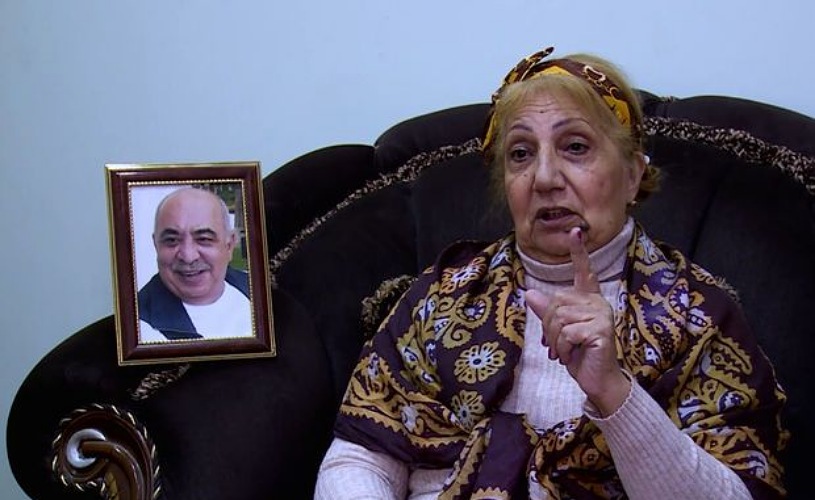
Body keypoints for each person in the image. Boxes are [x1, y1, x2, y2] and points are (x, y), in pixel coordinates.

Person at [315, 47, 787, 498]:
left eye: (575, 147)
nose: (544, 178)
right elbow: (358, 458)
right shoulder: (440, 300)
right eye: (521, 153)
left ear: (632, 175)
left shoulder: (696, 318)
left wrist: (615, 393)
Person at [137, 186, 253, 342]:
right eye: (172, 240)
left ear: (229, 245)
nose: (188, 256)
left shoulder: (257, 289)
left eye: (203, 239)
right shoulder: (137, 328)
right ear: (156, 245)